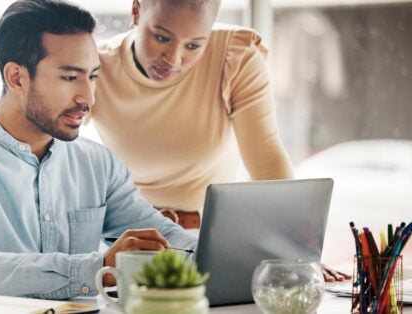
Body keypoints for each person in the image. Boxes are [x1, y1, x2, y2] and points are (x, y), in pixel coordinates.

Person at [0, 0, 196, 303]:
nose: (88, 97)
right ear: (16, 77)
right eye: (70, 77)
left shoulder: (99, 164)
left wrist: (220, 256)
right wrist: (99, 267)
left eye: (92, 76)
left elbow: (164, 238)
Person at [91, 0, 349, 281]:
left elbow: (267, 160)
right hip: (133, 243)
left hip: (211, 241)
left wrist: (296, 251)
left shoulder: (234, 56)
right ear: (136, 11)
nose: (173, 58)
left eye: (194, 45)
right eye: (162, 37)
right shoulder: (97, 65)